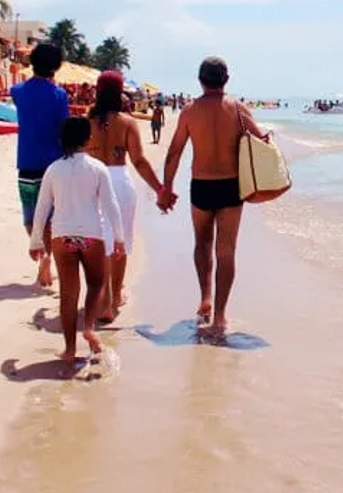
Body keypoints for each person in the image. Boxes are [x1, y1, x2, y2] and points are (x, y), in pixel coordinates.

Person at [161, 56, 270, 338]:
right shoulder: (238, 110)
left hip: (201, 185)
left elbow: (174, 152)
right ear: (226, 80)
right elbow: (261, 144)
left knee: (202, 243)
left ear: (200, 80)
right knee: (226, 250)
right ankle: (220, 316)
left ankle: (205, 299)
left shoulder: (189, 112)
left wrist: (166, 187)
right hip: (231, 187)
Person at [29, 117, 123, 365]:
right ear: (88, 140)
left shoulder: (53, 170)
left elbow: (42, 208)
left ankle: (70, 349)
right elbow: (111, 205)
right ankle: (89, 327)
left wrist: (36, 241)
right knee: (96, 284)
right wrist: (120, 237)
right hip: (92, 235)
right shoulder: (98, 168)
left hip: (62, 237)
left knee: (68, 294)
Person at [86, 70, 169, 322]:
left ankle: (101, 296)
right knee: (120, 241)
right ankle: (115, 296)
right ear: (120, 92)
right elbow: (140, 160)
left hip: (93, 180)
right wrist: (160, 189)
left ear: (98, 91)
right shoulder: (127, 122)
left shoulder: (86, 121)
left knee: (98, 241)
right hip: (120, 182)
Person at [11, 43, 70, 288]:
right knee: (52, 219)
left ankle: (42, 256)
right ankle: (48, 258)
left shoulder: (18, 91)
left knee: (30, 215)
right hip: (53, 163)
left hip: (27, 161)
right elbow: (63, 129)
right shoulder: (59, 96)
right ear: (55, 67)